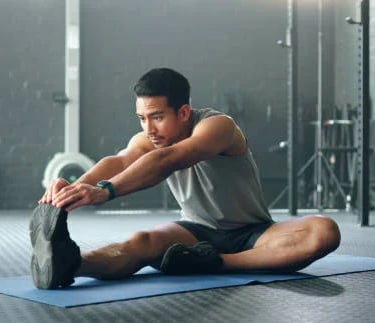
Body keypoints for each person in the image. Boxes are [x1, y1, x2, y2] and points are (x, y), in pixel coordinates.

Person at [30, 67, 341, 289]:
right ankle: (68, 264)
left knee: (324, 231)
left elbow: (169, 160)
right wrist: (72, 187)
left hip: (252, 233)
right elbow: (120, 160)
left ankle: (218, 262)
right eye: (142, 118)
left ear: (183, 112)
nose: (149, 129)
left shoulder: (219, 127)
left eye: (157, 117)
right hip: (194, 232)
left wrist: (105, 191)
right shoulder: (149, 139)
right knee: (141, 243)